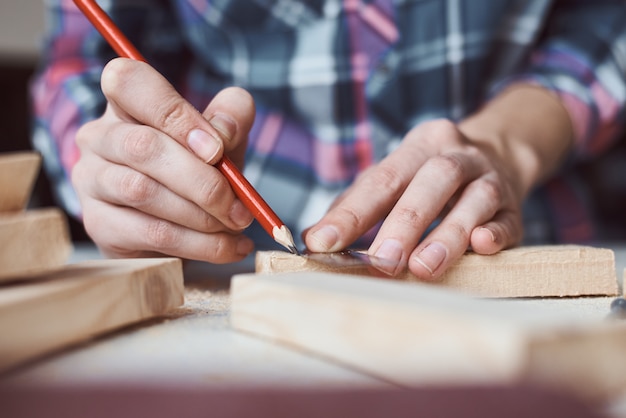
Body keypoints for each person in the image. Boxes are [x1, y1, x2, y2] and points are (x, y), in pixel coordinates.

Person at [31, 0, 626, 280]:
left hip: (519, 251)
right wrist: (120, 171)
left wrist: (509, 143)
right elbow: (75, 66)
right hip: (224, 277)